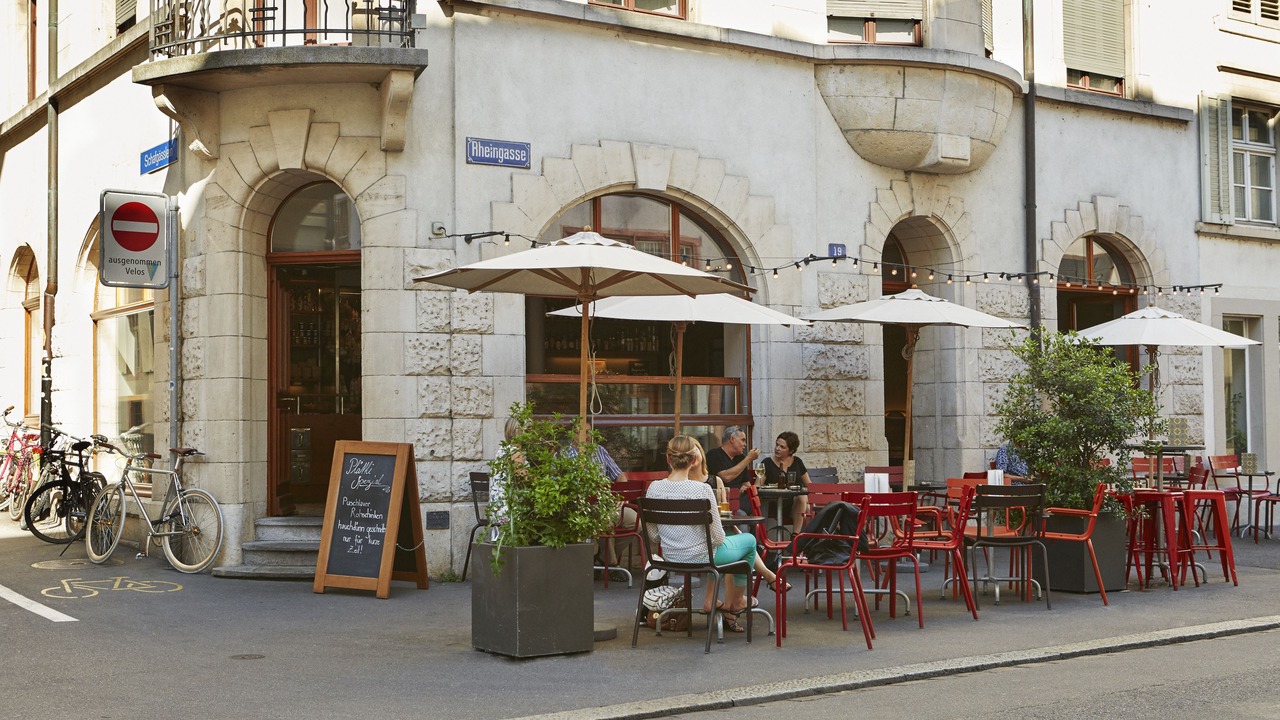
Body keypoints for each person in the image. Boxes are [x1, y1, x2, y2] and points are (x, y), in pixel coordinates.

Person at [645, 435, 788, 633]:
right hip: (703, 557)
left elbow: (653, 536)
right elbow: (718, 538)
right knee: (748, 541)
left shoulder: (654, 488)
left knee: (734, 544)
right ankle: (736, 601)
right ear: (694, 460)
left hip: (669, 558)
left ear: (668, 459)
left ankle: (724, 602)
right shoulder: (702, 490)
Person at [760, 431, 812, 534]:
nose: (777, 448)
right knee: (807, 508)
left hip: (795, 505)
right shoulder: (767, 462)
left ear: (791, 450)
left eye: (782, 447)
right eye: (777, 445)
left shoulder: (797, 462)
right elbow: (758, 486)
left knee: (804, 501)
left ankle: (796, 536)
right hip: (774, 503)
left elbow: (809, 485)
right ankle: (802, 541)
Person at [705, 426, 760, 494]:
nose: (745, 444)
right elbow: (726, 477)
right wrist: (749, 458)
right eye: (742, 440)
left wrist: (744, 486)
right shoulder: (714, 454)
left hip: (739, 499)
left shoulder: (740, 458)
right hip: (720, 498)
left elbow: (747, 483)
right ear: (732, 439)